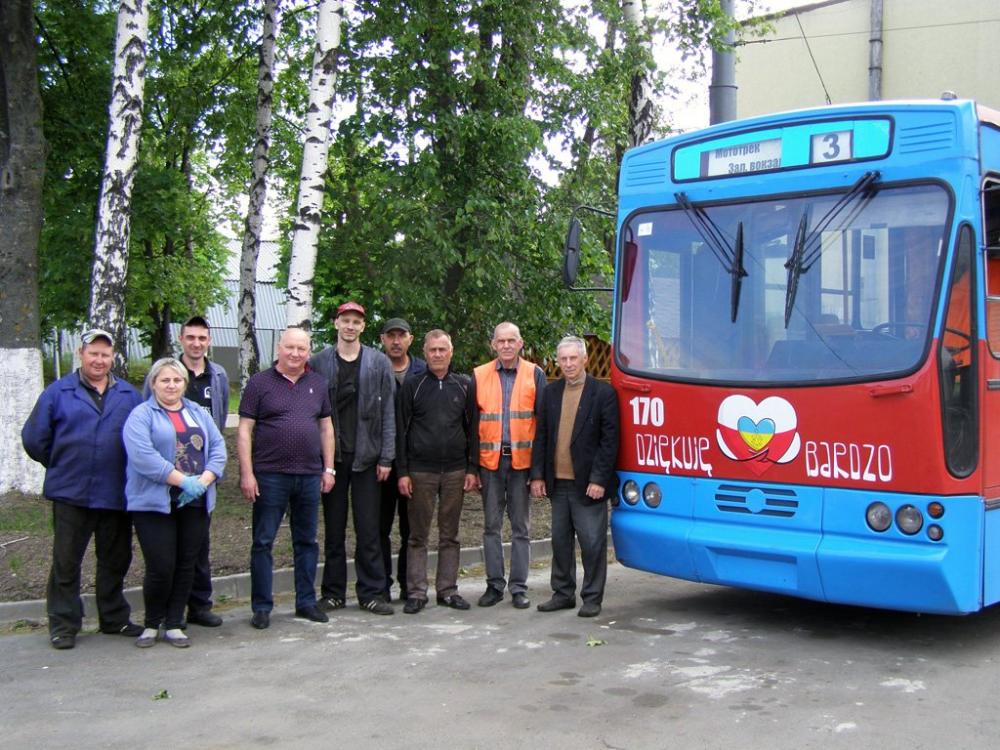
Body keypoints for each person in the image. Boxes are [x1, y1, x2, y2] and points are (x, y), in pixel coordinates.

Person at [21, 329, 144, 650]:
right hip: (70, 493)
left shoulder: (129, 395)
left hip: (115, 492)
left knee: (116, 559)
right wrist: (61, 463)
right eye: (93, 354)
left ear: (113, 357)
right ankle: (63, 625)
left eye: (105, 355)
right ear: (81, 354)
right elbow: (34, 438)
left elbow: (142, 437)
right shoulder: (57, 392)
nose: (99, 360)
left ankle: (113, 617)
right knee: (66, 562)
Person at [124, 358, 227, 647]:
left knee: (186, 563)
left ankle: (174, 623)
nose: (171, 385)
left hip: (194, 501)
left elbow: (218, 447)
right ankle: (151, 623)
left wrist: (205, 480)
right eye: (165, 380)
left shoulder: (197, 412)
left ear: (184, 383)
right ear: (153, 383)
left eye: (177, 380)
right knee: (161, 565)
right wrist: (183, 481)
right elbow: (143, 456)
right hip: (155, 503)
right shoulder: (141, 415)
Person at [238, 327, 336, 629]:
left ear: (309, 351)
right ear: (279, 347)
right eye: (290, 347)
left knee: (306, 541)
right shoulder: (259, 383)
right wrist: (247, 473)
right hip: (270, 476)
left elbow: (326, 428)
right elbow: (244, 430)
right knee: (263, 541)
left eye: (301, 349)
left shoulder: (318, 383)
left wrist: (328, 468)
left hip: (308, 476)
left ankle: (306, 602)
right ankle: (262, 607)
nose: (295, 354)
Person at [310, 301, 397, 615]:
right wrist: (318, 460)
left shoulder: (378, 362)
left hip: (367, 458)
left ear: (363, 326)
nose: (350, 326)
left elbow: (388, 411)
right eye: (345, 320)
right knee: (334, 530)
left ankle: (371, 592)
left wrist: (386, 457)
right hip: (332, 460)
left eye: (356, 322)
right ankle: (333, 593)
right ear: (336, 323)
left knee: (368, 528)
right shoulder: (319, 362)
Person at [143, 315, 229, 628]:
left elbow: (219, 421)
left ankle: (199, 605)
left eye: (202, 338)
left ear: (209, 341)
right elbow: (148, 417)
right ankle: (167, 613)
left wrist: (208, 474)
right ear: (181, 340)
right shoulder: (166, 371)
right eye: (190, 337)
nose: (196, 343)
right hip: (165, 479)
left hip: (202, 475)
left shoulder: (217, 375)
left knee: (198, 546)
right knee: (167, 552)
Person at [530, 336, 619, 618]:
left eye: (573, 358)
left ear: (585, 360)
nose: (568, 364)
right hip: (557, 483)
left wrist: (599, 479)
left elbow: (610, 442)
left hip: (588, 485)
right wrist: (537, 475)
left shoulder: (603, 394)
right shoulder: (550, 392)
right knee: (560, 542)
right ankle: (562, 593)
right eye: (563, 359)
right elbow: (541, 436)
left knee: (592, 543)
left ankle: (592, 597)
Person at [396, 330, 477, 614]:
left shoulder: (464, 385)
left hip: (455, 471)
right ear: (425, 353)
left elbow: (473, 429)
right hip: (420, 471)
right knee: (417, 535)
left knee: (450, 535)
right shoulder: (413, 385)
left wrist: (472, 468)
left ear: (451, 352)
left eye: (443, 349)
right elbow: (401, 431)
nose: (438, 354)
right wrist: (402, 472)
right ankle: (417, 592)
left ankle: (447, 590)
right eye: (433, 350)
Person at [470, 322, 546, 609]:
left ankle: (518, 588)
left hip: (521, 464)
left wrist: (538, 473)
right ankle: (494, 585)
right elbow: (472, 426)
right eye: (501, 341)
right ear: (493, 344)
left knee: (520, 528)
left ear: (520, 343)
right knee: (491, 527)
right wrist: (472, 468)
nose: (506, 345)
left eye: (511, 340)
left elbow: (542, 427)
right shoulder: (479, 375)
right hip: (489, 464)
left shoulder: (535, 374)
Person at [379, 317, 426, 601]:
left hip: (415, 463)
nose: (396, 341)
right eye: (391, 336)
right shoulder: (373, 367)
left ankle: (410, 584)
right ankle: (381, 585)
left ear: (410, 339)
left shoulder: (423, 370)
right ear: (383, 339)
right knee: (379, 528)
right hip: (382, 463)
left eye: (401, 336)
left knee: (412, 529)